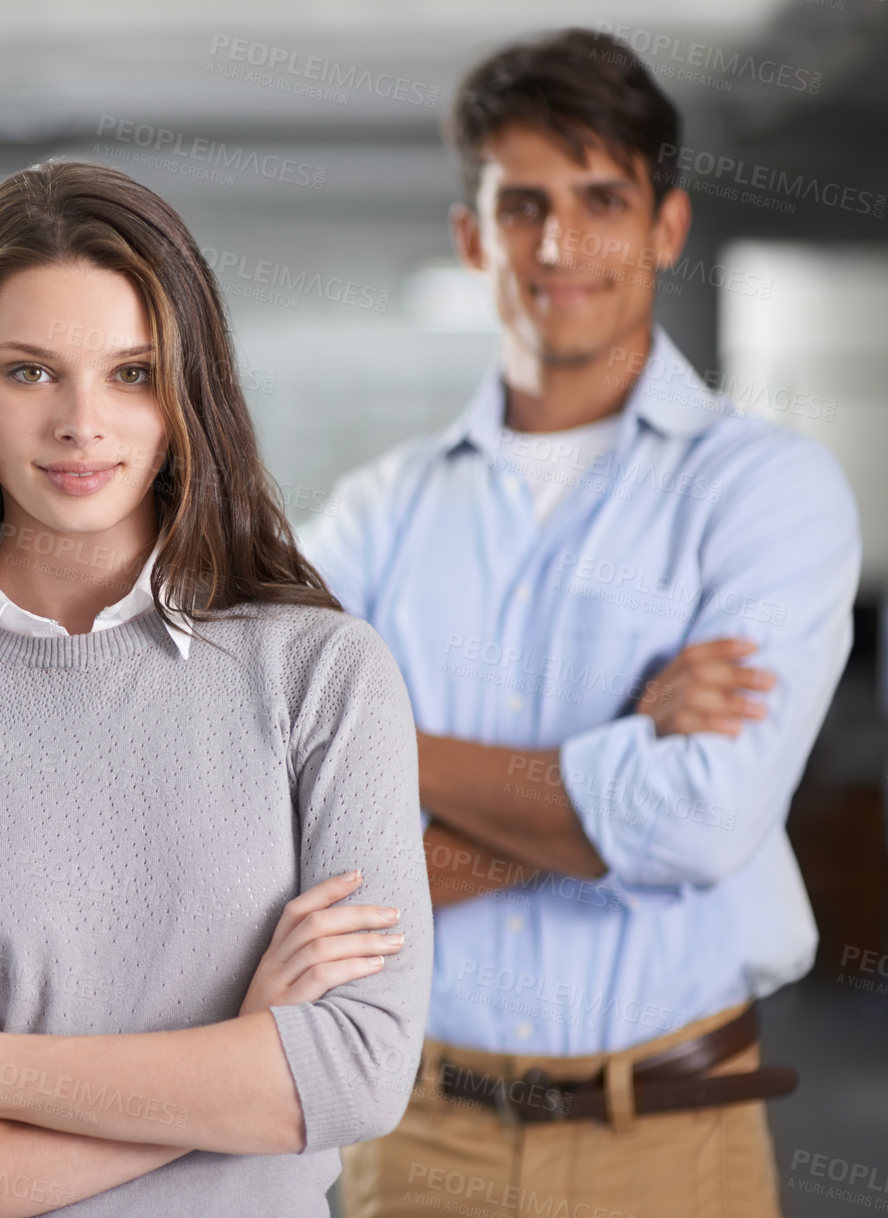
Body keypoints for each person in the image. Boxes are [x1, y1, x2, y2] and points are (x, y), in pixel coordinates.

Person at [0, 159, 433, 1218]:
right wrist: (239, 1068)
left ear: (188, 392)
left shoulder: (320, 675)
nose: (81, 425)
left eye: (130, 372)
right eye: (30, 372)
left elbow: (358, 1071)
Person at [296, 28, 861, 1218]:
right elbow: (280, 833)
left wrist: (388, 767)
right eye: (522, 206)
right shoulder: (370, 517)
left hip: (667, 1146)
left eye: (601, 199)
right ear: (470, 238)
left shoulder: (764, 490)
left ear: (665, 226)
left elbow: (703, 822)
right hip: (412, 1142)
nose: (558, 246)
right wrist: (617, 766)